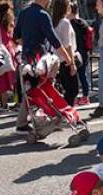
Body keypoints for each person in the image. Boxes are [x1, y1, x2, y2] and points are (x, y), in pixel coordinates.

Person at [13, 0, 74, 132]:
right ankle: (52, 117)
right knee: (43, 87)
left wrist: (28, 44)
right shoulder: (43, 14)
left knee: (31, 89)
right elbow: (53, 39)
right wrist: (68, 58)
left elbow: (16, 36)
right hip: (41, 58)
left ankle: (23, 122)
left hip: (27, 57)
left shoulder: (24, 12)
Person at [0, 1, 18, 109]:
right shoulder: (10, 23)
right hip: (10, 52)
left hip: (1, 54)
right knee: (9, 80)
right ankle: (13, 102)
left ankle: (4, 105)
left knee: (1, 82)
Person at [51, 0, 79, 106]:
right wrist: (72, 64)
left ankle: (66, 112)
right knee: (73, 90)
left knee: (68, 90)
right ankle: (68, 113)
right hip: (66, 60)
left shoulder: (55, 23)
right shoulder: (65, 22)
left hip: (59, 60)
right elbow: (68, 45)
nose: (70, 7)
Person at [69, 3, 90, 106]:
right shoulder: (84, 23)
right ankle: (86, 96)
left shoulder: (70, 23)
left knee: (75, 76)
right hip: (84, 52)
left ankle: (76, 97)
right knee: (83, 75)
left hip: (75, 52)